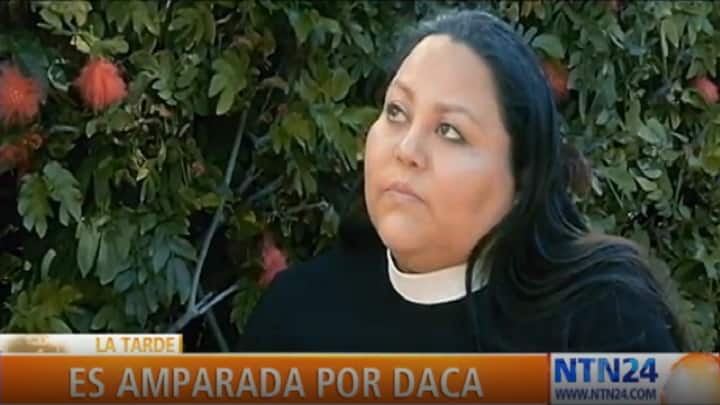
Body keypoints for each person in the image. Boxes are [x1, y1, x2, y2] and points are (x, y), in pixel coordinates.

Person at [238, 10, 686, 352]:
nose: (407, 150)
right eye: (396, 111)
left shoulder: (604, 323)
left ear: (521, 177)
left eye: (450, 131)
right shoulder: (295, 312)